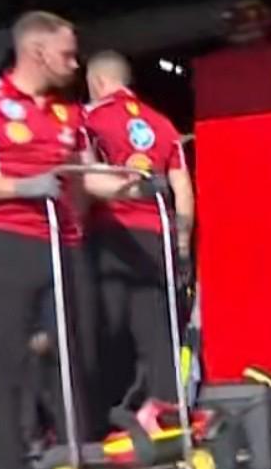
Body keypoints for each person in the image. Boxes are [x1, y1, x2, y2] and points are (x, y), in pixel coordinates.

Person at [0, 11, 148, 469]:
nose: (75, 64)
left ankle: (72, 453)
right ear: (37, 51)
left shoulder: (69, 113)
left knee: (78, 351)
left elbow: (85, 176)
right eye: (67, 54)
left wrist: (132, 183)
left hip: (66, 244)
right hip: (9, 244)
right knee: (11, 358)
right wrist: (18, 187)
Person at [82, 51, 195, 437]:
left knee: (104, 327)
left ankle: (103, 420)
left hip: (110, 232)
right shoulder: (163, 124)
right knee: (157, 332)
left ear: (97, 82)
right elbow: (183, 189)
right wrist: (181, 244)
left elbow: (83, 176)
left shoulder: (89, 118)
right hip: (157, 234)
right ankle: (166, 416)